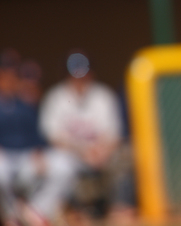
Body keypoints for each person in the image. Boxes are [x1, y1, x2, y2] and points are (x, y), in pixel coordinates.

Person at [38, 51, 125, 223]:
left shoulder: (103, 95)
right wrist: (82, 151)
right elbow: (52, 137)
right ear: (67, 75)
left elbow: (115, 134)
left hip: (101, 153)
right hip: (70, 154)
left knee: (125, 156)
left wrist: (102, 151)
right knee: (59, 165)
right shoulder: (56, 97)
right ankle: (67, 208)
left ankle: (119, 206)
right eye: (74, 74)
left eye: (83, 73)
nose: (79, 79)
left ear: (91, 73)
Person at [0, 49, 76, 226]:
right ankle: (12, 216)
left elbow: (38, 135)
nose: (10, 79)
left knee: (64, 165)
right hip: (4, 158)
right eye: (5, 74)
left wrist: (39, 150)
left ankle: (35, 211)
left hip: (26, 157)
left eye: (13, 74)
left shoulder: (25, 104)